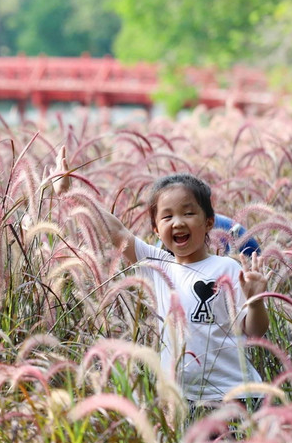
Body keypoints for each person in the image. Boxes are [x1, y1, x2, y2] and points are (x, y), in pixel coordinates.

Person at [54, 148, 269, 410]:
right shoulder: (157, 265)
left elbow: (254, 332)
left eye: (188, 213)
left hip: (234, 396)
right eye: (167, 216)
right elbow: (115, 230)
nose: (177, 222)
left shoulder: (227, 269)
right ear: (156, 229)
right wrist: (70, 195)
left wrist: (256, 301)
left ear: (210, 222)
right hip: (180, 400)